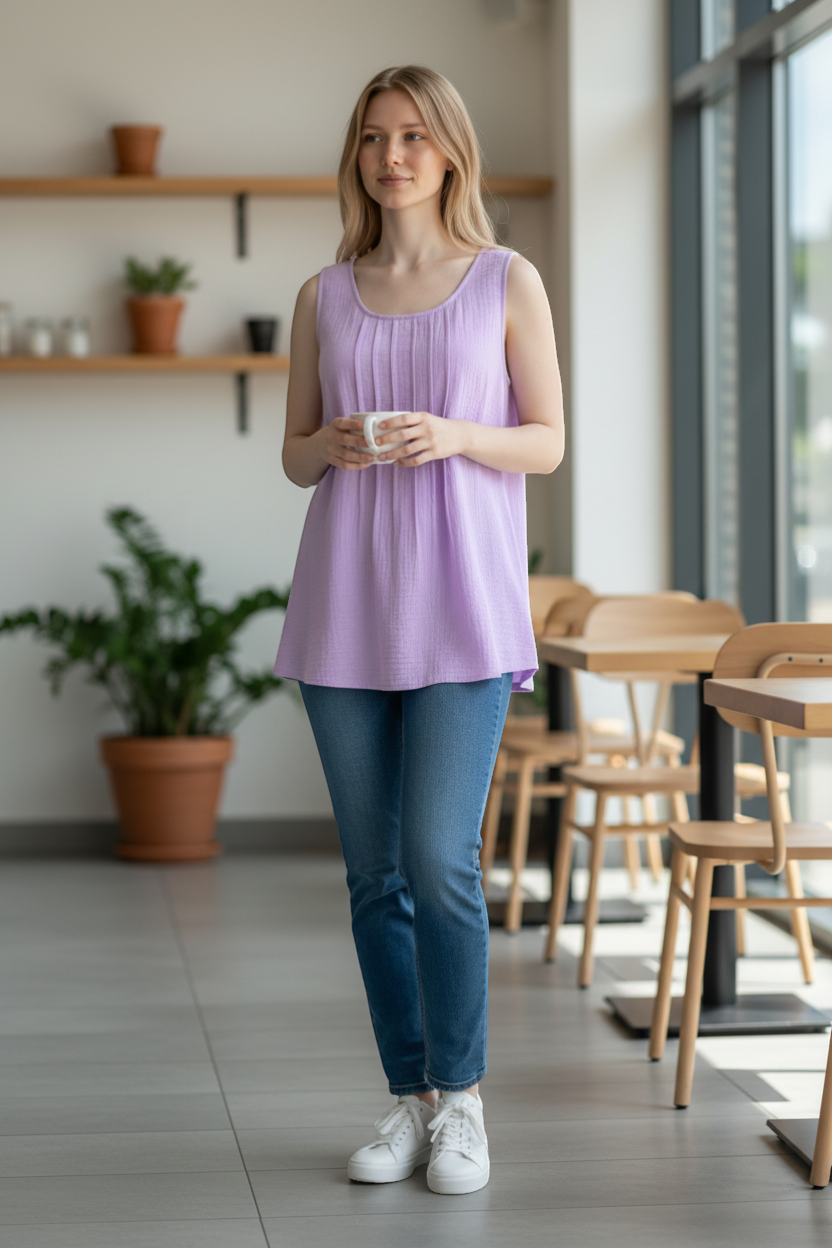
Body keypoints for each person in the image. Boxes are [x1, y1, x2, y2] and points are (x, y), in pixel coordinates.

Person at [275, 64, 563, 1196]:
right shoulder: (323, 294)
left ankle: (466, 1103)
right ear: (357, 156)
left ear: (449, 153)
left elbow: (544, 440)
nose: (392, 155)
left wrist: (454, 434)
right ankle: (410, 1096)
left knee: (439, 863)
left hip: (463, 611)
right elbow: (294, 455)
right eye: (373, 137)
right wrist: (333, 447)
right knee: (371, 875)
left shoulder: (504, 279)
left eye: (413, 137)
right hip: (344, 608)